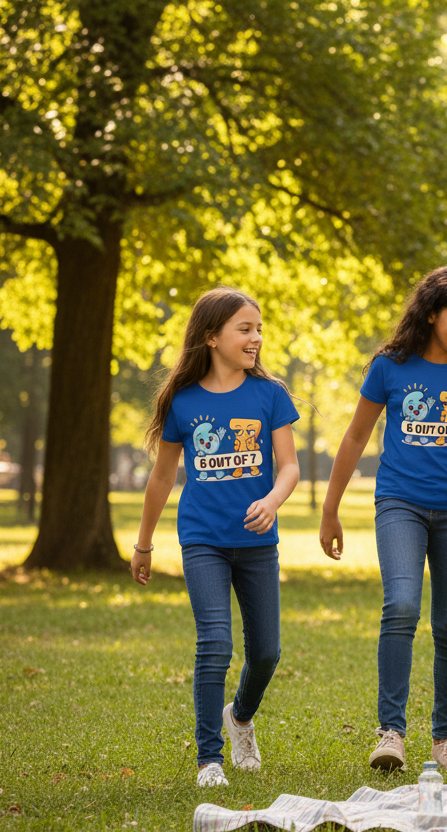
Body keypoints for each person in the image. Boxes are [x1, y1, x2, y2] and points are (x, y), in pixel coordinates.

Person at [319, 265, 447, 773]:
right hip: (399, 504)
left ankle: (444, 739)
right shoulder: (390, 366)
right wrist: (330, 508)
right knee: (402, 604)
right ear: (431, 313)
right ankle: (390, 732)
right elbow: (354, 438)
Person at [132, 287, 301, 787]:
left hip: (256, 544)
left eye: (259, 328)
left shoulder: (271, 394)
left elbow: (288, 466)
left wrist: (272, 501)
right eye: (245, 329)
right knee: (215, 642)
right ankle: (210, 759)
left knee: (266, 652)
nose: (256, 338)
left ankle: (241, 719)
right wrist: (143, 543)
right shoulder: (183, 402)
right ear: (212, 337)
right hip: (202, 539)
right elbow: (162, 477)